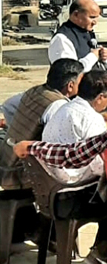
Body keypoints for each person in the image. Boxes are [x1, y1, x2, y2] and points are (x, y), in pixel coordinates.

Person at [0, 59, 84, 189]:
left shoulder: (35, 90)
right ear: (70, 86)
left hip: (6, 161)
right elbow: (59, 146)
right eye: (81, 82)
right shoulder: (58, 106)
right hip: (19, 173)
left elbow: (8, 106)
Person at [43, 70, 107, 184]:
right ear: (101, 97)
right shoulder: (92, 118)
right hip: (71, 178)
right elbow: (102, 156)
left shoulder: (64, 107)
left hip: (50, 174)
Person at [49, 0, 107, 72]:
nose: (95, 22)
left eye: (97, 17)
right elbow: (68, 73)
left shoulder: (87, 32)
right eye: (92, 17)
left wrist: (106, 57)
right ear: (76, 15)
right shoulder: (62, 39)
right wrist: (93, 56)